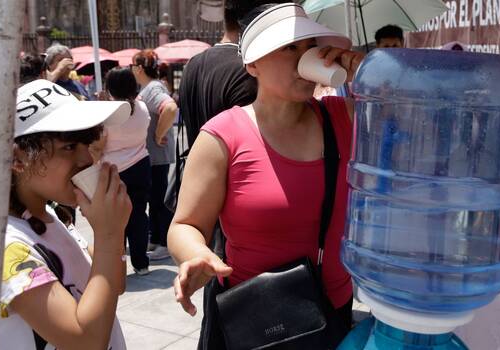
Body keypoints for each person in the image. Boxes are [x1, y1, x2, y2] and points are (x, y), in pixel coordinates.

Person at [168, 2, 363, 348]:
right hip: (257, 318)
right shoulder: (222, 136)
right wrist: (197, 254)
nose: (305, 57)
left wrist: (369, 71)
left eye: (310, 46)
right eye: (290, 47)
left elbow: (423, 118)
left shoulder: (344, 117)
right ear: (252, 64)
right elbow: (186, 225)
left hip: (332, 312)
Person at [0, 79, 131, 349]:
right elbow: (86, 341)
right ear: (17, 158)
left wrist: (114, 225)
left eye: (86, 145)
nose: (87, 159)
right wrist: (109, 234)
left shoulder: (53, 216)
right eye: (68, 147)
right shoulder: (1, 246)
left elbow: (116, 281)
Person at [178, 0, 263, 147]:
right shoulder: (248, 69)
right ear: (255, 22)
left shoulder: (192, 64)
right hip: (231, 168)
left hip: (195, 165)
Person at [103, 67, 153, 275]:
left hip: (114, 170)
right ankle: (141, 264)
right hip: (140, 165)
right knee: (139, 216)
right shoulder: (141, 107)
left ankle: (118, 264)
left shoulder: (107, 112)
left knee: (116, 221)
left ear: (109, 88)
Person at [131, 49, 178, 260]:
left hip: (157, 154)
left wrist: (159, 135)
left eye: (132, 66)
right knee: (154, 198)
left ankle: (164, 242)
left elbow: (169, 108)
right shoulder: (149, 88)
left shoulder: (153, 88)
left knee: (159, 200)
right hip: (152, 154)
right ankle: (156, 237)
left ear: (139, 68)